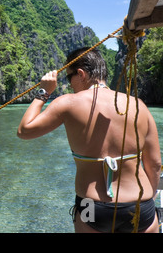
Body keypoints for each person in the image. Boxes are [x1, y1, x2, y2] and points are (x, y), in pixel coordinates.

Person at [17, 47, 161, 233]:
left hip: (92, 208)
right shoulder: (138, 106)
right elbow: (155, 164)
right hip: (140, 208)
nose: (70, 85)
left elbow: (24, 130)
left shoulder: (68, 103)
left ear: (81, 74)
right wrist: (148, 201)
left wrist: (44, 92)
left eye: (69, 79)